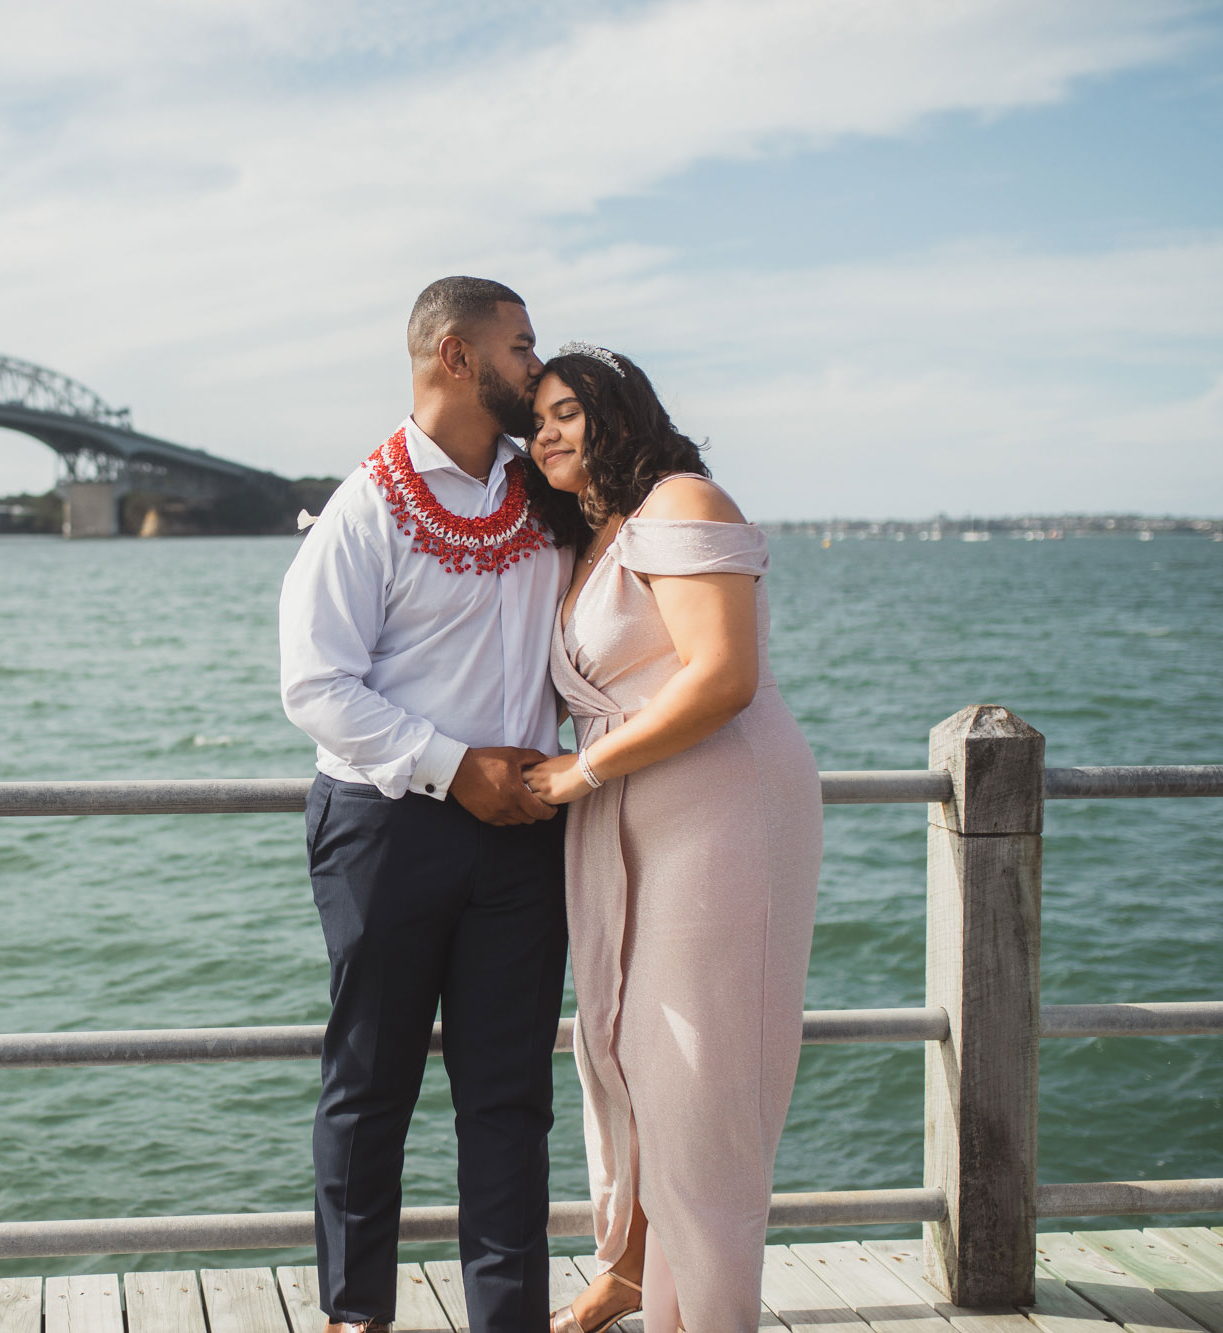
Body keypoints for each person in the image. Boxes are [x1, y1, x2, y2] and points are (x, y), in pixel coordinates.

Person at [278, 276, 569, 1333]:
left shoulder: (546, 493)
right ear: (456, 356)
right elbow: (312, 686)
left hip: (529, 833)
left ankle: (507, 1321)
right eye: (520, 345)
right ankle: (356, 1316)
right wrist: (455, 767)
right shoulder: (363, 507)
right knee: (368, 1082)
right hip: (386, 828)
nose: (535, 365)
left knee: (508, 1099)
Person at [519, 345, 823, 1333]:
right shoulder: (591, 535)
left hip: (719, 809)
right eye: (535, 422)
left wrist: (578, 770)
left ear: (619, 412)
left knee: (700, 1082)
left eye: (565, 411)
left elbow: (722, 673)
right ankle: (637, 1271)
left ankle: (709, 1315)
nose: (546, 434)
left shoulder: (681, 503)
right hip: (623, 822)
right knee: (624, 1055)